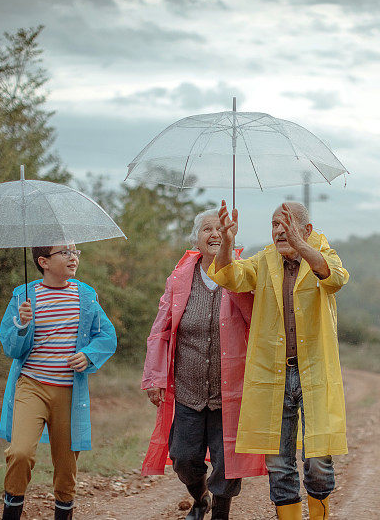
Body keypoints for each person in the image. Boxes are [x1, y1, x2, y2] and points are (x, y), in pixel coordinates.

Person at [209, 201, 349, 520]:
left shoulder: (324, 254)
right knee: (279, 462)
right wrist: (228, 241)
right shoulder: (264, 260)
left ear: (307, 230)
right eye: (274, 224)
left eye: (286, 223)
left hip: (315, 373)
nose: (278, 231)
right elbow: (229, 276)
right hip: (274, 375)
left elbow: (335, 278)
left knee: (318, 460)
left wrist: (301, 246)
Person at [141, 209, 266, 520]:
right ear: (194, 238)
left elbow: (256, 319)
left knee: (228, 461)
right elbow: (161, 329)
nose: (213, 234)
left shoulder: (243, 274)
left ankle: (221, 512)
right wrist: (154, 377)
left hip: (231, 391)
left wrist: (233, 276)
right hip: (189, 390)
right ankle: (200, 498)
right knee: (183, 458)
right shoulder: (180, 278)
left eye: (220, 229)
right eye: (206, 229)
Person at [0, 244, 117, 520]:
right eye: (65, 252)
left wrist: (89, 355)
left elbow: (107, 335)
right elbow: (11, 348)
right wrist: (22, 325)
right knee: (20, 452)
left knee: (66, 466)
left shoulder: (85, 296)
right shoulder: (24, 296)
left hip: (69, 392)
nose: (73, 257)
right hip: (31, 386)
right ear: (44, 261)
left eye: (75, 252)